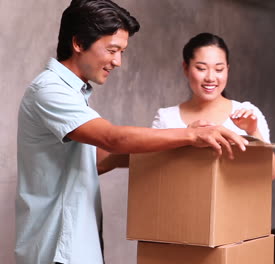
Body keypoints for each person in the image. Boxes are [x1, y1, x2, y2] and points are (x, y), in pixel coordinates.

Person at [16, 2, 248, 264]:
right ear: (79, 43)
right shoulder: (50, 90)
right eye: (112, 50)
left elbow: (98, 160)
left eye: (121, 52)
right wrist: (190, 136)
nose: (118, 62)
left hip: (76, 245)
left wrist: (180, 150)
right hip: (56, 248)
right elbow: (112, 139)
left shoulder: (73, 93)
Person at [152, 33, 275, 179]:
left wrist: (253, 132)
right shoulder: (166, 118)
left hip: (234, 201)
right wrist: (185, 138)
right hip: (182, 200)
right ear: (186, 68)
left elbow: (271, 173)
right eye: (201, 68)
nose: (211, 78)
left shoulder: (247, 113)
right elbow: (153, 172)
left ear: (227, 69)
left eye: (219, 69)